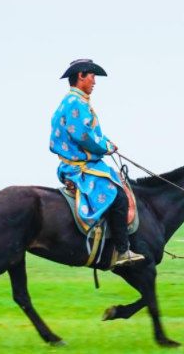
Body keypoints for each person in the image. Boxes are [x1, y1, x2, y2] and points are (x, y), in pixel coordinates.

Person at [49, 59, 145, 266]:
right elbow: (84, 136)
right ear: (81, 75)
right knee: (118, 195)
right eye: (92, 76)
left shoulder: (72, 101)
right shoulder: (76, 103)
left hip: (79, 163)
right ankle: (122, 251)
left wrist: (104, 142)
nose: (94, 81)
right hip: (80, 167)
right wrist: (107, 147)